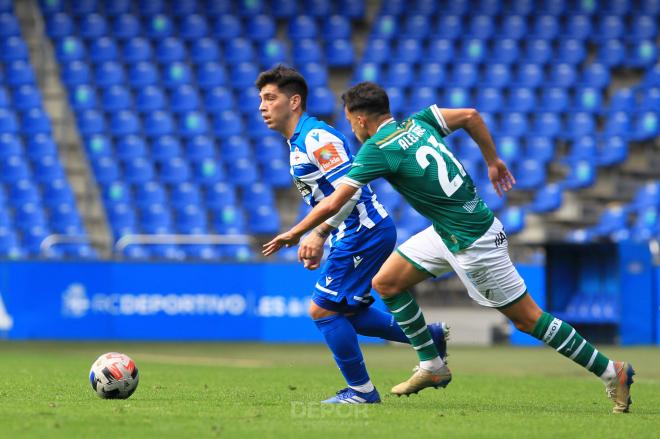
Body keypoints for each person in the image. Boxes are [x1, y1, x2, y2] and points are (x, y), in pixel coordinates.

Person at [262, 81, 635, 414]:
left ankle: (610, 370)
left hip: (473, 240)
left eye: (350, 122)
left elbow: (334, 201)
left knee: (527, 319)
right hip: (447, 229)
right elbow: (471, 115)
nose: (353, 131)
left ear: (359, 120)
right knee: (387, 282)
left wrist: (296, 232)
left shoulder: (377, 149)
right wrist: (493, 161)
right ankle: (432, 365)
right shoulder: (419, 121)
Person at [255, 67, 448, 404]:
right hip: (357, 231)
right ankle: (428, 338)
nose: (262, 106)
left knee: (322, 310)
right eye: (261, 99)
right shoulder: (298, 141)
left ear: (295, 101)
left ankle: (361, 392)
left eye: (270, 98)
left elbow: (352, 192)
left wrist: (318, 233)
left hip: (363, 230)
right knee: (347, 313)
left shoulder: (318, 139)